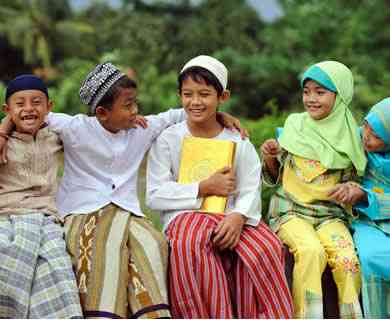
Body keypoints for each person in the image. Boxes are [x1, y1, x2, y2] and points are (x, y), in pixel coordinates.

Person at [0, 62, 246, 319]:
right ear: (103, 113)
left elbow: (175, 114)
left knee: (153, 243)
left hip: (128, 211)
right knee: (101, 249)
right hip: (82, 210)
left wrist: (219, 116)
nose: (135, 110)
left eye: (134, 103)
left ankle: (153, 314)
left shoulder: (140, 129)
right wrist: (3, 132)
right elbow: (28, 112)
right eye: (127, 105)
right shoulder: (75, 127)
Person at [146, 55, 293, 318]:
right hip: (185, 216)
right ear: (179, 96)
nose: (195, 102)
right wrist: (202, 187)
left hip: (234, 214)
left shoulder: (238, 140)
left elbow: (250, 186)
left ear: (222, 97)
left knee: (266, 247)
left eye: (204, 94)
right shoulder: (168, 139)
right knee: (190, 244)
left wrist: (238, 217)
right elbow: (155, 195)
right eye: (188, 94)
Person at [261, 60, 366, 318]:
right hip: (291, 212)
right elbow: (275, 175)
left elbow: (356, 184)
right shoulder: (296, 126)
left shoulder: (352, 136)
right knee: (310, 252)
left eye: (320, 92)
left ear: (340, 95)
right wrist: (270, 157)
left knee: (347, 261)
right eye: (306, 91)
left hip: (330, 216)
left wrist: (352, 190)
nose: (311, 99)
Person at [0, 75, 82, 318]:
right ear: (7, 109)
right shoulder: (3, 142)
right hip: (6, 216)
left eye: (36, 102)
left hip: (47, 219)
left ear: (49, 107)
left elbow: (94, 132)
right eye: (19, 103)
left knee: (57, 267)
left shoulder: (56, 136)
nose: (28, 109)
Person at [331, 98, 390, 318]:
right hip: (365, 221)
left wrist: (365, 195)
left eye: (378, 137)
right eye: (367, 126)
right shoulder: (353, 137)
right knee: (372, 256)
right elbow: (310, 134)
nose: (367, 136)